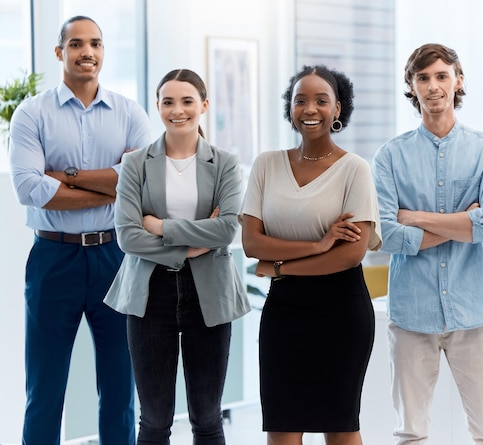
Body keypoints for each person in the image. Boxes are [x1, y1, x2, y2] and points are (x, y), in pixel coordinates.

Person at [8, 15, 151, 445]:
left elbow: (142, 184)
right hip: (53, 259)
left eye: (95, 43)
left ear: (103, 51)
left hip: (115, 257)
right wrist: (112, 182)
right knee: (45, 389)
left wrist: (66, 176)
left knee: (120, 387)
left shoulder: (130, 112)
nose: (87, 52)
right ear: (59, 52)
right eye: (76, 44)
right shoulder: (31, 114)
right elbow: (30, 187)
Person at [372, 43, 483, 445]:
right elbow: (385, 234)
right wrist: (462, 222)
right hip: (412, 313)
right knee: (410, 433)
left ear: (458, 81)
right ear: (411, 87)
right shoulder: (389, 157)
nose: (433, 86)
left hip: (475, 312)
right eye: (423, 78)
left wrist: (415, 218)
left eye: (441, 76)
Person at [104, 68, 250, 444]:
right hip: (150, 294)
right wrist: (193, 246)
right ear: (157, 106)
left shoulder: (227, 164)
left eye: (187, 101)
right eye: (168, 102)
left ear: (204, 105)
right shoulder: (135, 164)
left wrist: (162, 227)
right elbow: (127, 237)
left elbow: (227, 229)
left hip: (210, 294)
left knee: (207, 416)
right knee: (153, 419)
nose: (177, 110)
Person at [240, 65, 382, 445]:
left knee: (340, 428)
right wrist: (318, 246)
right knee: (282, 429)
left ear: (338, 109)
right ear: (290, 108)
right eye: (300, 100)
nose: (310, 109)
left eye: (322, 100)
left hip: (341, 312)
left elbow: (350, 256)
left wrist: (279, 266)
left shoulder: (355, 170)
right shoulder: (266, 164)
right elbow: (252, 243)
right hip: (283, 312)